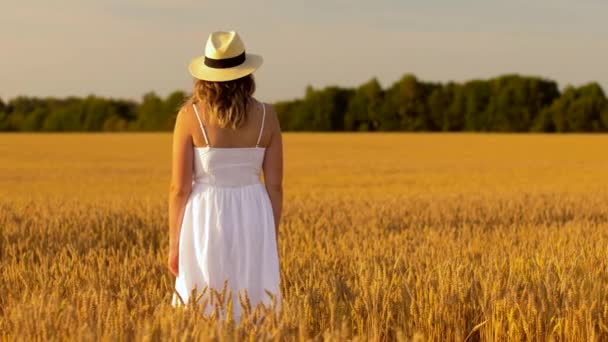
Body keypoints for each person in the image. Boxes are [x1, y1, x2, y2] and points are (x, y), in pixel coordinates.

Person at [166, 31, 283, 324]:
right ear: (246, 74)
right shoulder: (268, 116)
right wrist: (271, 233)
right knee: (254, 298)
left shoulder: (189, 116)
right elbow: (275, 185)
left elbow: (179, 188)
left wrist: (174, 243)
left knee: (202, 297)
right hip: (254, 211)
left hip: (206, 213)